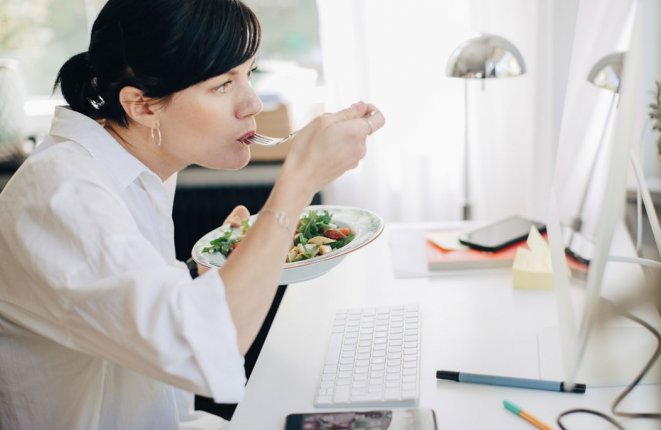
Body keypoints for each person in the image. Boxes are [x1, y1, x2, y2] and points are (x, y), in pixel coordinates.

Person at [0, 0, 384, 428]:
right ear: (142, 105)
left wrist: (210, 267)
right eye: (223, 84)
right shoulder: (64, 195)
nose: (252, 103)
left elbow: (130, 303)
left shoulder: (136, 165)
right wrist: (299, 182)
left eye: (249, 74)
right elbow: (201, 347)